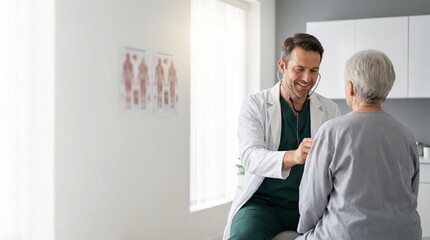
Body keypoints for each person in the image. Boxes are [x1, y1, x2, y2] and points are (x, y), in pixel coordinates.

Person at [223, 33, 341, 240]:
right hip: (263, 204)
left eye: (314, 71)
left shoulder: (329, 109)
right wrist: (293, 156)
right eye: (300, 69)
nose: (307, 78)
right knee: (243, 236)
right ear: (282, 66)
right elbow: (250, 156)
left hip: (311, 205)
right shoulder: (255, 105)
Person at [296, 49, 422, 240]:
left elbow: (311, 202)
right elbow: (412, 193)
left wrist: (305, 230)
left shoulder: (331, 131)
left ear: (351, 88)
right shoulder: (406, 134)